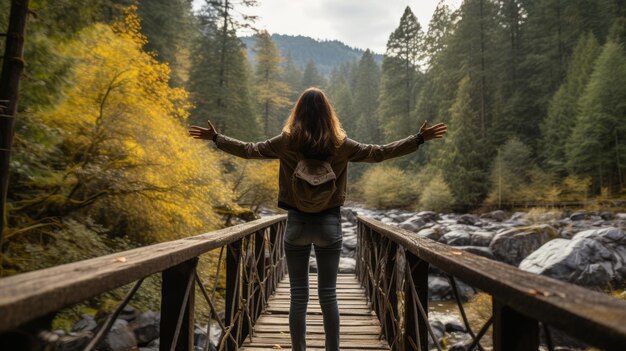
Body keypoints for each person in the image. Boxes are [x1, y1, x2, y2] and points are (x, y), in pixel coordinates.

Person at [188, 87, 447, 351]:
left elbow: (250, 150)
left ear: (298, 112)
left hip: (296, 224)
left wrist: (217, 139)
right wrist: (417, 139)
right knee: (329, 295)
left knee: (298, 296)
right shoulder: (340, 145)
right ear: (328, 114)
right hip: (329, 225)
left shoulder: (286, 141)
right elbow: (378, 153)